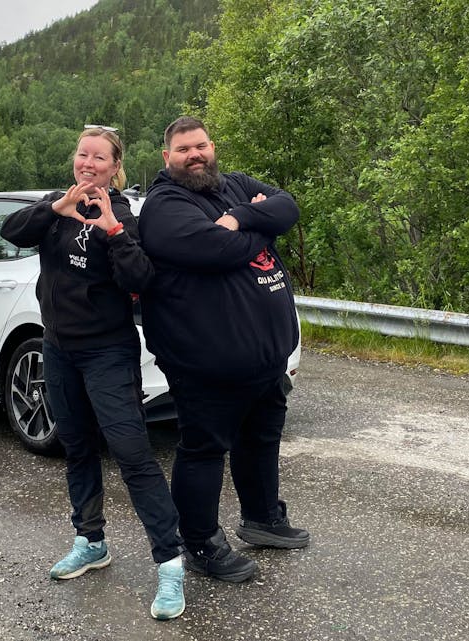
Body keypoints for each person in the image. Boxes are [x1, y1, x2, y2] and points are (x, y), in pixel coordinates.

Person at [0, 126, 185, 620]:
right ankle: (90, 541)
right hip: (59, 351)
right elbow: (10, 231)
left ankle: (169, 562)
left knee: (131, 454)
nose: (88, 163)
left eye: (99, 158)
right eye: (83, 155)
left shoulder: (121, 213)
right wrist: (55, 208)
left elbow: (141, 279)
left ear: (114, 166)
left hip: (108, 353)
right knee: (76, 447)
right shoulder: (54, 209)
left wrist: (113, 231)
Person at [137, 116, 310, 584]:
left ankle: (262, 519)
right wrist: (263, 227)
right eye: (183, 149)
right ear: (166, 156)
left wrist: (244, 217)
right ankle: (200, 543)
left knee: (261, 438)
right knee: (204, 450)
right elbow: (217, 250)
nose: (195, 155)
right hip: (205, 362)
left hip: (263, 359)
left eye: (200, 146)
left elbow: (287, 205)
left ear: (212, 147)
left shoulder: (233, 184)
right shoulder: (164, 205)